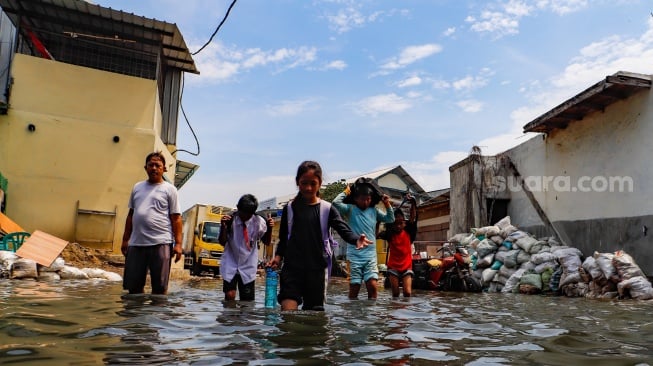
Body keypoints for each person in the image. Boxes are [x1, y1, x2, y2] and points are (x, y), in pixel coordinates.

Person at [266, 160, 372, 311]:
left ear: (320, 183)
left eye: (313, 183)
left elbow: (343, 229)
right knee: (288, 315)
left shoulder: (327, 209)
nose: (308, 188)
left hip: (317, 271)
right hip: (292, 269)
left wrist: (356, 239)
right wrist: (277, 258)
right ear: (298, 182)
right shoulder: (289, 209)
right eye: (304, 183)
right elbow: (284, 238)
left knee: (313, 318)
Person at [121, 151, 183, 295]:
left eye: (158, 165)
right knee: (133, 288)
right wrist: (125, 240)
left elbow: (176, 218)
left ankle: (156, 317)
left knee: (160, 289)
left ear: (164, 169)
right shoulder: (137, 187)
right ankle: (136, 316)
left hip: (161, 242)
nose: (154, 168)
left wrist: (178, 244)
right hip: (137, 243)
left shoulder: (170, 190)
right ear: (145, 168)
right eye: (151, 165)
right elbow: (131, 215)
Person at [333, 178, 394, 300]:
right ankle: (352, 314)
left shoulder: (374, 211)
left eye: (368, 199)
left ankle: (371, 315)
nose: (366, 202)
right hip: (354, 255)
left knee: (372, 285)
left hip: (370, 255)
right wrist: (346, 191)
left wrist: (387, 204)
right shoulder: (350, 209)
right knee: (355, 286)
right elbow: (335, 203)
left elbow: (390, 219)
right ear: (356, 199)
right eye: (362, 199)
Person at [218, 194, 274, 301]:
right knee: (229, 295)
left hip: (248, 267)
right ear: (238, 208)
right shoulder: (231, 220)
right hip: (230, 264)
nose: (245, 216)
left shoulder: (259, 222)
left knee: (247, 302)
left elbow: (266, 242)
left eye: (248, 214)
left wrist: (270, 228)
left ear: (253, 213)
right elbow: (222, 242)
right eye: (242, 213)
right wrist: (223, 227)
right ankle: (229, 316)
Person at [379, 193, 418, 297]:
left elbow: (413, 217)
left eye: (401, 223)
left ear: (404, 223)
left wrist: (413, 203)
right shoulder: (389, 234)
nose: (399, 226)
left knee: (407, 293)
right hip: (393, 267)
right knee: (395, 294)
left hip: (407, 266)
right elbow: (376, 234)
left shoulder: (409, 231)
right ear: (392, 224)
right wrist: (378, 220)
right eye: (396, 224)